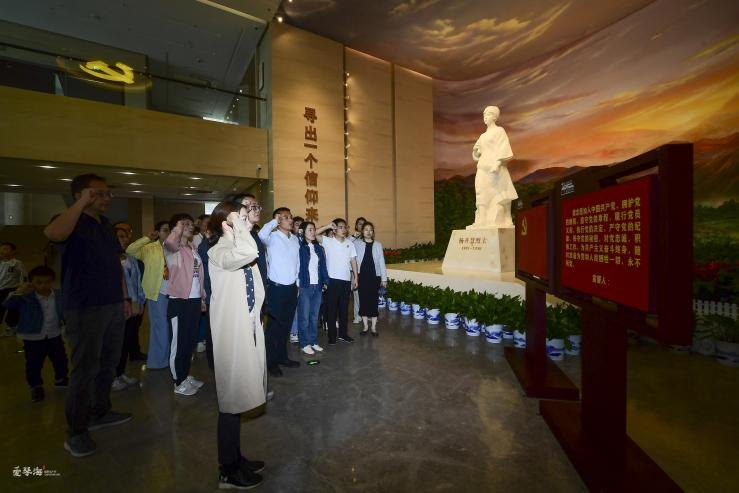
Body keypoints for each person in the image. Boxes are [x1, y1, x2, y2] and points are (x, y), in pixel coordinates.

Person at [44, 173, 132, 458]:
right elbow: (54, 234)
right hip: (84, 306)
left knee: (108, 363)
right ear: (80, 195)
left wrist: (124, 298)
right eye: (98, 193)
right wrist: (81, 203)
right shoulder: (70, 220)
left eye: (108, 193)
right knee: (84, 368)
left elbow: (116, 264)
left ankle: (99, 412)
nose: (106, 198)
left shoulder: (105, 224)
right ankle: (76, 432)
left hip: (112, 303)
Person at [207, 201, 266, 489]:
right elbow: (248, 252)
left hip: (248, 328)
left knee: (239, 398)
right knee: (230, 401)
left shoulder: (237, 247)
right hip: (232, 333)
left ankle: (236, 458)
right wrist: (236, 222)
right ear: (226, 224)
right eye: (240, 219)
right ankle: (228, 470)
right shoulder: (218, 252)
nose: (247, 223)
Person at [3, 266, 68, 402]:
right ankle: (36, 386)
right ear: (31, 283)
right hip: (32, 337)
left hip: (54, 334)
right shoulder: (25, 297)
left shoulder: (58, 295)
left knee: (60, 359)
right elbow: (8, 304)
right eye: (39, 282)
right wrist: (20, 291)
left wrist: (66, 325)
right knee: (34, 364)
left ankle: (61, 379)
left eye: (48, 282)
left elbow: (63, 311)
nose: (44, 285)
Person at [163, 213, 206, 396]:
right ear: (177, 226)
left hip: (194, 300)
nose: (190, 226)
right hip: (179, 301)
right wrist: (178, 228)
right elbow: (170, 242)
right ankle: (178, 382)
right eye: (184, 224)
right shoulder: (172, 248)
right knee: (178, 343)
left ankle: (185, 374)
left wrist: (202, 298)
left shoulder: (192, 247)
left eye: (190, 224)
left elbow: (198, 277)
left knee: (189, 342)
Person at [258, 207, 300, 377]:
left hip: (291, 289)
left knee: (285, 327)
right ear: (277, 219)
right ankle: (271, 362)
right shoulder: (272, 237)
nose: (290, 220)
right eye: (286, 217)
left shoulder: (295, 239)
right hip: (276, 289)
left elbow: (297, 263)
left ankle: (282, 357)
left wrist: (297, 284)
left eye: (290, 217)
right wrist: (275, 220)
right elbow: (261, 235)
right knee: (273, 328)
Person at [127, 221, 171, 370]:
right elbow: (130, 250)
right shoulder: (149, 248)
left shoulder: (175, 248)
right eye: (165, 230)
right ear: (157, 232)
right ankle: (158, 361)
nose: (168, 233)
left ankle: (168, 358)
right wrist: (147, 238)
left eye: (170, 230)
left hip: (174, 292)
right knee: (161, 327)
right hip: (157, 293)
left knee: (170, 327)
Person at [468, 105, 518, 228]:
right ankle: (482, 218)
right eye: (484, 115)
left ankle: (506, 217)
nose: (485, 117)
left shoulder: (499, 131)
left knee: (502, 192)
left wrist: (497, 164)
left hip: (495, 167)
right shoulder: (482, 136)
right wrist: (476, 151)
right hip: (482, 167)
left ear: (494, 117)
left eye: (488, 114)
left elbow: (503, 147)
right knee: (480, 191)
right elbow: (477, 153)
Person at [112, 227, 145, 391]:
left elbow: (138, 283)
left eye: (126, 237)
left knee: (127, 340)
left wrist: (140, 302)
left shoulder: (131, 259)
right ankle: (112, 376)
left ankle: (121, 373)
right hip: (117, 306)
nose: (125, 239)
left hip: (134, 305)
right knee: (116, 342)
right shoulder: (108, 260)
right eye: (120, 236)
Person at [317, 218, 358, 345]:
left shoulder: (350, 244)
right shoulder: (328, 241)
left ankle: (343, 334)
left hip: (346, 281)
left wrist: (356, 278)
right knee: (331, 310)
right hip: (332, 281)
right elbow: (315, 234)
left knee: (344, 310)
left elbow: (353, 261)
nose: (343, 229)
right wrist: (328, 226)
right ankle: (332, 336)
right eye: (340, 227)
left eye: (345, 227)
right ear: (334, 229)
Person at [296, 222, 329, 355]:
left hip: (318, 285)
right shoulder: (300, 246)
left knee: (314, 316)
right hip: (305, 285)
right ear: (303, 232)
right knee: (304, 317)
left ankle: (313, 341)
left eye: (314, 229)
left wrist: (326, 281)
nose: (313, 232)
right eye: (309, 229)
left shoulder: (318, 248)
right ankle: (304, 343)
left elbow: (323, 266)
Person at [353, 222, 387, 336]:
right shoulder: (356, 243)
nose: (368, 232)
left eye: (371, 230)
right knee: (363, 301)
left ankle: (373, 327)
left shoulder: (378, 244)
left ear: (373, 232)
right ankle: (365, 326)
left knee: (373, 302)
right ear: (362, 231)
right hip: (361, 276)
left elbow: (381, 262)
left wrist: (384, 279)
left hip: (374, 277)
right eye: (366, 229)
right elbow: (349, 251)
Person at [197, 224, 215, 370]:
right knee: (212, 329)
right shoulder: (205, 246)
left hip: (216, 292)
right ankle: (212, 360)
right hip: (210, 293)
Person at [0, 241, 26, 336]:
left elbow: (24, 276)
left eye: (5, 249)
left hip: (12, 289)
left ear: (13, 251)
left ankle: (12, 327)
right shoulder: (1, 263)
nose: (2, 251)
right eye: (1, 249)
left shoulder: (17, 263)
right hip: (1, 289)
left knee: (12, 310)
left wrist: (21, 288)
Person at [350, 217, 366, 324]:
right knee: (356, 295)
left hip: (367, 270)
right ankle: (357, 315)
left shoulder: (368, 239)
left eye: (363, 224)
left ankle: (367, 314)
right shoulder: (352, 238)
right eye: (359, 224)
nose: (361, 225)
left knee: (367, 294)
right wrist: (353, 237)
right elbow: (345, 243)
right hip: (355, 271)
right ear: (356, 225)